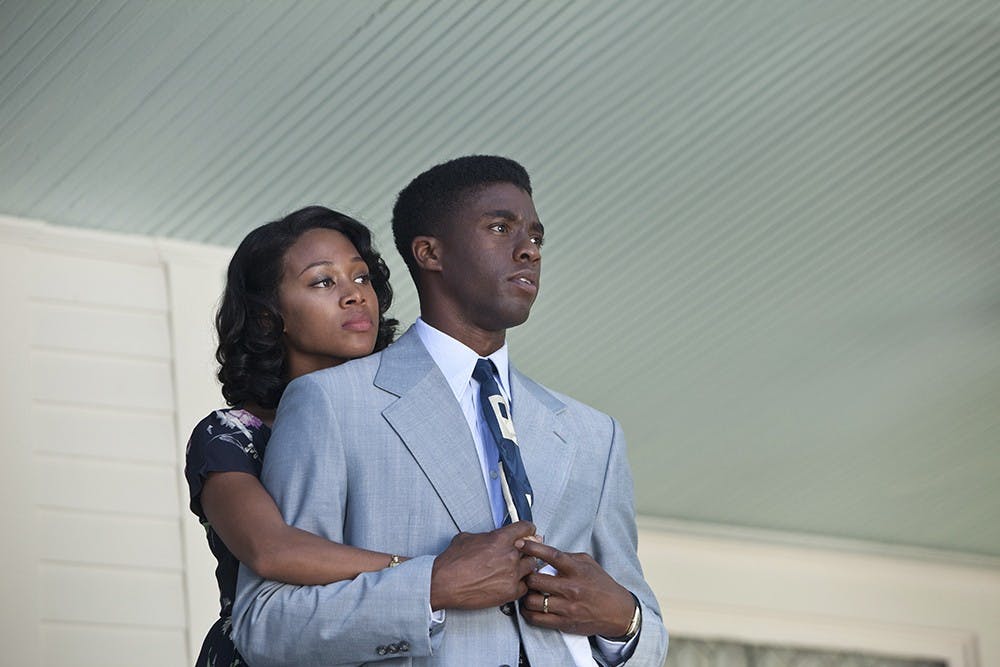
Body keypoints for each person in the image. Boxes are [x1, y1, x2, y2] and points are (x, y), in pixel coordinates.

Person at [232, 156, 669, 666]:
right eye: (500, 227)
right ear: (430, 252)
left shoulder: (595, 435)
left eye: (535, 236)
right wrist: (432, 586)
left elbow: (648, 634)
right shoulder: (331, 403)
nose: (528, 250)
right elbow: (264, 624)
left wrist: (625, 621)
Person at [184, 206, 407, 667]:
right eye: (323, 282)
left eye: (361, 278)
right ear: (268, 318)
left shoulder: (400, 423)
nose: (354, 296)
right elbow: (270, 550)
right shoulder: (229, 435)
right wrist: (423, 576)